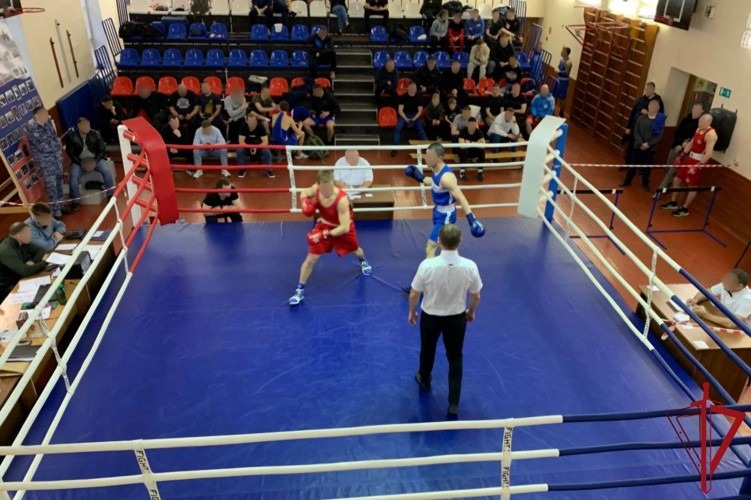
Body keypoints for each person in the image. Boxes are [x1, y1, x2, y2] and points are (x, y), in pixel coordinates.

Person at [408, 223, 482, 418]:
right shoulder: (470, 266)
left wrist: (412, 312)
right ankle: (454, 403)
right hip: (456, 318)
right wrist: (471, 312)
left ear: (439, 242)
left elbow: (414, 293)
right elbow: (476, 296)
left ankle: (424, 379)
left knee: (428, 349)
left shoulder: (427, 265)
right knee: (455, 357)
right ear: (460, 241)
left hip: (430, 317)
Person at [288, 169, 372, 306]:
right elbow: (304, 192)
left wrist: (323, 235)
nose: (327, 190)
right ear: (318, 185)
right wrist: (304, 202)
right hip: (324, 225)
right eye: (324, 187)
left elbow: (344, 227)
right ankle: (299, 290)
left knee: (356, 251)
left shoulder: (342, 200)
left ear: (333, 183)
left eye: (330, 186)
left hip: (343, 229)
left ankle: (363, 261)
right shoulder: (315, 189)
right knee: (311, 259)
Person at [404, 143, 485, 258]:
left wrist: (472, 220)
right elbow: (434, 183)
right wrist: (419, 176)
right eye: (426, 155)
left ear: (439, 158)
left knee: (430, 247)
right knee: (448, 245)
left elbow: (461, 197)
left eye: (430, 156)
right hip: (438, 212)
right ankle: (455, 264)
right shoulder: (435, 169)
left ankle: (430, 270)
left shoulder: (446, 178)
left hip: (446, 216)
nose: (426, 158)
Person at [660, 113, 716, 217]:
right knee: (677, 179)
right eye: (699, 121)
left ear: (709, 122)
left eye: (702, 122)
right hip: (690, 158)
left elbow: (708, 154)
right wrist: (682, 155)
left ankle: (685, 208)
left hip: (698, 161)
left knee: (692, 186)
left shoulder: (711, 134)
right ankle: (673, 202)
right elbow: (691, 143)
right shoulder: (699, 129)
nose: (699, 123)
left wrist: (698, 166)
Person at [65, 117, 116, 210]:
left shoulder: (95, 134)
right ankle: (75, 202)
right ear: (79, 126)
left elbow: (102, 150)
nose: (87, 127)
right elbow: (71, 153)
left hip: (96, 159)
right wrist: (81, 163)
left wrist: (95, 161)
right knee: (74, 177)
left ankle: (110, 195)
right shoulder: (72, 137)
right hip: (79, 161)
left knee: (106, 171)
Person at [27, 107, 66, 217]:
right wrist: (56, 145)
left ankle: (61, 207)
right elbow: (44, 147)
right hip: (46, 164)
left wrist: (56, 145)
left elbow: (57, 139)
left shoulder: (48, 125)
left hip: (56, 159)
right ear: (36, 116)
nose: (46, 116)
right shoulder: (32, 130)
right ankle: (55, 212)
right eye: (43, 114)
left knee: (59, 184)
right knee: (51, 188)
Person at [657, 102, 704, 191]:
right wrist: (680, 143)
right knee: (668, 168)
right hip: (675, 147)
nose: (695, 111)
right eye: (694, 109)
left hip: (685, 153)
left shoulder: (700, 125)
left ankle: (661, 189)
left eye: (698, 110)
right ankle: (667, 186)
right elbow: (677, 132)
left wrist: (683, 146)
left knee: (673, 171)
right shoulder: (685, 119)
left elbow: (694, 139)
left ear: (702, 112)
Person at [619, 99, 665, 191]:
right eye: (652, 106)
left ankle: (645, 183)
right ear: (648, 107)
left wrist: (649, 144)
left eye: (655, 107)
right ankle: (628, 180)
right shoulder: (641, 118)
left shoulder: (660, 121)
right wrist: (641, 143)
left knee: (647, 167)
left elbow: (659, 135)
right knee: (633, 164)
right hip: (638, 146)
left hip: (650, 148)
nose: (653, 108)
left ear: (658, 108)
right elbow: (636, 132)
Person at [0, 222, 47, 300]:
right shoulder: (6, 250)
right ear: (19, 236)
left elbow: (41, 250)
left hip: (20, 277)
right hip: (7, 287)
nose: (30, 236)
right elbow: (25, 271)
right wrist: (44, 263)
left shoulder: (22, 241)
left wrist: (33, 261)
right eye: (28, 233)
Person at [623, 82, 665, 163]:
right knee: (632, 148)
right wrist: (628, 127)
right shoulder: (641, 99)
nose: (646, 91)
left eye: (648, 90)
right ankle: (628, 163)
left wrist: (648, 113)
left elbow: (660, 117)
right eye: (646, 90)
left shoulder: (658, 101)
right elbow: (633, 113)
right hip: (636, 129)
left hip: (648, 133)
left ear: (653, 90)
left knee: (644, 155)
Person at [392, 81, 427, 154]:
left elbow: (420, 111)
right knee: (398, 127)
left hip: (415, 116)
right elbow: (400, 110)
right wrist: (406, 119)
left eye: (414, 87)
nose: (413, 89)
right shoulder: (403, 97)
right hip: (404, 115)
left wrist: (414, 119)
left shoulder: (419, 98)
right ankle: (395, 147)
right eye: (412, 87)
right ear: (408, 88)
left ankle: (426, 146)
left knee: (420, 128)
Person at [237, 112, 274, 179]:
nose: (252, 123)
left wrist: (256, 147)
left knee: (266, 151)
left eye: (253, 121)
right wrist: (250, 147)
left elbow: (265, 142)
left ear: (256, 121)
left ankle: (269, 170)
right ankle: (242, 169)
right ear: (246, 121)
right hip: (247, 147)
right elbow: (241, 141)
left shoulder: (261, 127)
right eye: (250, 121)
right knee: (239, 150)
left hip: (259, 147)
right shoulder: (243, 126)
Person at [555, 47, 573, 117]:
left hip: (563, 82)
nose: (561, 52)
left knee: (562, 98)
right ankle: (552, 109)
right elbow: (558, 67)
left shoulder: (569, 62)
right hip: (558, 80)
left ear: (566, 53)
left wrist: (559, 71)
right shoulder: (561, 60)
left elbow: (566, 73)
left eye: (562, 51)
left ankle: (561, 113)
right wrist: (557, 69)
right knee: (555, 95)